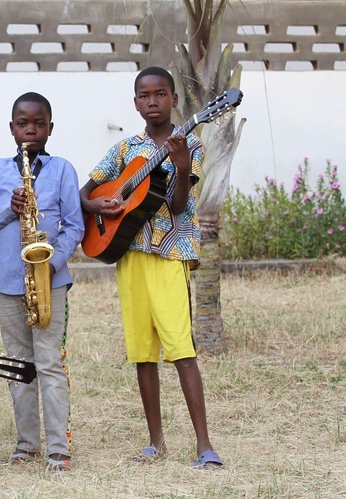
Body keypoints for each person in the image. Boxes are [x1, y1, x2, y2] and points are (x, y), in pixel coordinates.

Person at [79, 66, 224, 469]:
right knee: (143, 352)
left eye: (160, 94)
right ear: (135, 102)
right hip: (129, 253)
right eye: (144, 96)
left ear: (175, 100)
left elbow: (177, 205)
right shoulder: (126, 149)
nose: (152, 102)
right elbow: (86, 191)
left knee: (181, 348)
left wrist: (178, 167)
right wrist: (96, 206)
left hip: (170, 253)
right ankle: (155, 442)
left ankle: (204, 445)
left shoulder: (191, 145)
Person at [0, 92, 84, 472]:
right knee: (19, 365)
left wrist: (52, 264)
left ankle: (57, 450)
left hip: (49, 279)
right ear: (11, 128)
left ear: (50, 128)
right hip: (6, 282)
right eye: (22, 123)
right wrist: (8, 207)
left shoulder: (63, 169)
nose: (30, 130)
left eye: (38, 124)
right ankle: (26, 444)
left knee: (49, 363)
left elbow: (75, 225)